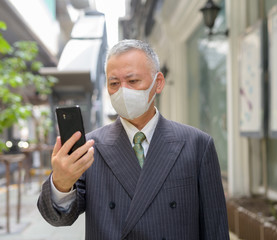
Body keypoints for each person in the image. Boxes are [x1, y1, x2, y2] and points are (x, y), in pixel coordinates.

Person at [37, 39, 229, 240]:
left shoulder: (197, 145)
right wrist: (61, 184)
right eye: (114, 83)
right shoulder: (90, 148)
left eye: (133, 81)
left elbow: (215, 228)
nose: (123, 91)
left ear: (158, 83)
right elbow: (58, 219)